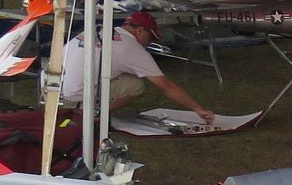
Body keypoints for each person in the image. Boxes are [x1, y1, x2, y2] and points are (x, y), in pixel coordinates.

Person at [57, 9, 214, 121]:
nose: (148, 43)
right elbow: (166, 86)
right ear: (140, 31)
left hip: (55, 87)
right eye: (150, 38)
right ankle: (92, 112)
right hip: (76, 95)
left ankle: (81, 107)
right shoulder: (132, 48)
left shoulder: (99, 29)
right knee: (136, 85)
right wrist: (197, 108)